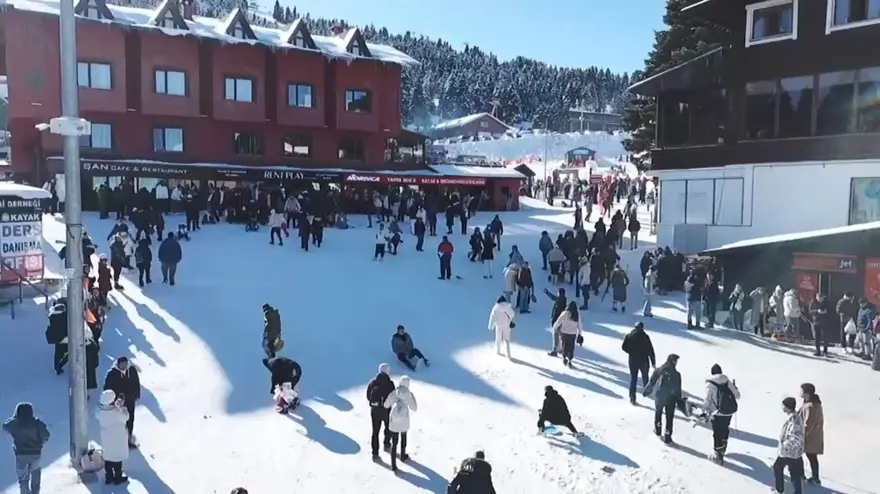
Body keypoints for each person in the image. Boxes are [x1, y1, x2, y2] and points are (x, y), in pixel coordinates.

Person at [2, 403, 50, 494]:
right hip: (36, 453)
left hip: (21, 454)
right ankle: (35, 492)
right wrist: (41, 443)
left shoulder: (15, 423)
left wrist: (13, 417)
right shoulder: (37, 422)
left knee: (23, 479)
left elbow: (5, 425)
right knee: (35, 473)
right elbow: (46, 436)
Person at [701, 364, 740, 464]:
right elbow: (737, 396)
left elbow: (706, 401)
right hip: (728, 411)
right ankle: (723, 448)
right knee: (725, 428)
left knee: (717, 432)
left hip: (717, 412)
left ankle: (717, 456)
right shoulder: (727, 381)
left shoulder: (709, 384)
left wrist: (704, 411)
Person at [103, 357, 141, 448]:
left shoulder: (132, 370)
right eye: (121, 364)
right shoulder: (111, 373)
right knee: (119, 422)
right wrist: (113, 400)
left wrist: (135, 396)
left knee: (130, 420)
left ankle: (128, 440)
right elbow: (107, 388)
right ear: (118, 364)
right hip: (117, 402)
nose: (123, 366)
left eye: (124, 364)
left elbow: (136, 383)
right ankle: (118, 441)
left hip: (130, 400)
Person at [644, 354, 682, 444]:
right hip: (671, 398)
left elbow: (651, 382)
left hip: (659, 396)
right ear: (673, 362)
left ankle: (658, 430)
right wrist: (679, 401)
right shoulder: (677, 374)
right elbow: (678, 389)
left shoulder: (659, 370)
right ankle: (667, 436)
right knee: (669, 417)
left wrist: (646, 391)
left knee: (658, 412)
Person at [384, 375, 418, 472]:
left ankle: (393, 465)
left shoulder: (395, 392)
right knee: (403, 438)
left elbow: (386, 405)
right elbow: (414, 408)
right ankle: (403, 455)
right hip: (404, 420)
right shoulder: (409, 394)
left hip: (394, 420)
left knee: (394, 443)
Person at [97, 390, 130, 485]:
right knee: (117, 458)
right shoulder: (116, 413)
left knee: (108, 457)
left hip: (106, 437)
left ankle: (109, 476)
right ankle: (118, 477)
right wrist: (121, 407)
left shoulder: (99, 411)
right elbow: (126, 416)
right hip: (117, 438)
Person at [773, 397, 805, 494]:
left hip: (789, 453)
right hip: (794, 453)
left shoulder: (793, 420)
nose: (782, 407)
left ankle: (780, 490)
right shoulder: (794, 417)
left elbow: (796, 437)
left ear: (787, 407)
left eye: (783, 405)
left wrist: (785, 446)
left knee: (777, 467)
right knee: (795, 474)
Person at [621, 322, 656, 405]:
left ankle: (632, 398)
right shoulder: (645, 337)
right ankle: (646, 390)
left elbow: (623, 347)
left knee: (633, 379)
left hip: (633, 360)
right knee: (645, 376)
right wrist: (653, 362)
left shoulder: (629, 335)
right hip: (644, 360)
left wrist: (630, 352)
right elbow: (650, 350)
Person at [366, 363, 395, 458]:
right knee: (388, 427)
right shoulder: (390, 383)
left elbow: (368, 396)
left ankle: (375, 452)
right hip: (387, 410)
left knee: (375, 431)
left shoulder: (373, 382)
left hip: (375, 411)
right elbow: (393, 397)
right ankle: (387, 443)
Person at [798, 383, 824, 485]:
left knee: (798, 455)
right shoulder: (811, 403)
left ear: (807, 393)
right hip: (813, 437)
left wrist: (801, 436)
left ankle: (801, 475)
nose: (800, 392)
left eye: (801, 391)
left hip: (809, 437)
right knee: (811, 457)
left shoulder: (811, 406)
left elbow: (808, 424)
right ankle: (815, 477)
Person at [553, 301, 583, 367]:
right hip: (573, 334)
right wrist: (580, 333)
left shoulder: (564, 313)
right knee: (571, 347)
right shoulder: (576, 315)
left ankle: (564, 357)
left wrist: (555, 327)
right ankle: (570, 360)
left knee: (564, 345)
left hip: (564, 333)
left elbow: (558, 321)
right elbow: (579, 325)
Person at [45, 300, 69, 375]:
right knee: (70, 351)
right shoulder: (65, 314)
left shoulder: (52, 315)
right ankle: (61, 365)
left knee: (58, 352)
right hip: (65, 337)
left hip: (56, 337)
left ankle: (57, 367)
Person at [544, 288, 567, 357]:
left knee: (556, 336)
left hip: (557, 321)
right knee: (560, 335)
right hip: (560, 321)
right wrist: (547, 293)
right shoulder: (562, 300)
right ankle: (560, 349)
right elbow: (553, 297)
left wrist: (553, 320)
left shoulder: (559, 301)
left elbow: (556, 312)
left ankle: (555, 350)